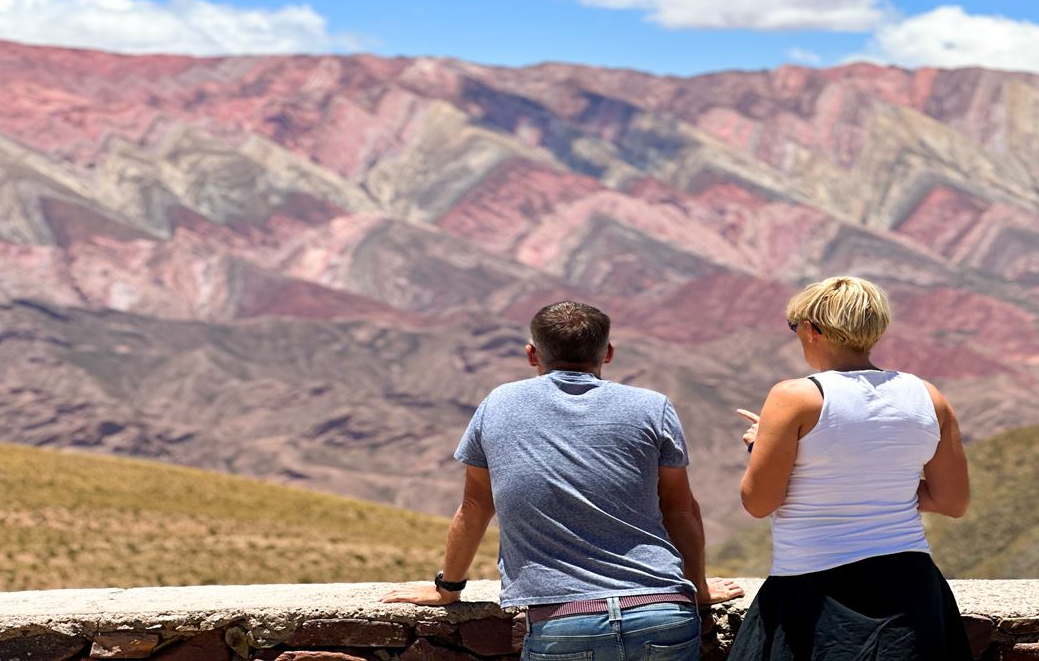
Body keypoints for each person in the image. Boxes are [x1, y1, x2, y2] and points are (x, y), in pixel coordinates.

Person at [381, 300, 743, 660]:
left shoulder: (499, 404)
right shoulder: (653, 406)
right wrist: (698, 589)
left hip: (565, 622)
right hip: (662, 614)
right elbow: (681, 509)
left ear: (531, 355)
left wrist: (448, 588)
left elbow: (475, 506)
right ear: (608, 352)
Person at [729, 276, 972, 661]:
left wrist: (764, 448)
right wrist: (878, 482)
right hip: (912, 590)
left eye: (795, 327)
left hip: (814, 591)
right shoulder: (929, 396)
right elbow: (952, 501)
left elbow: (759, 502)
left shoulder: (794, 397)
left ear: (812, 330)